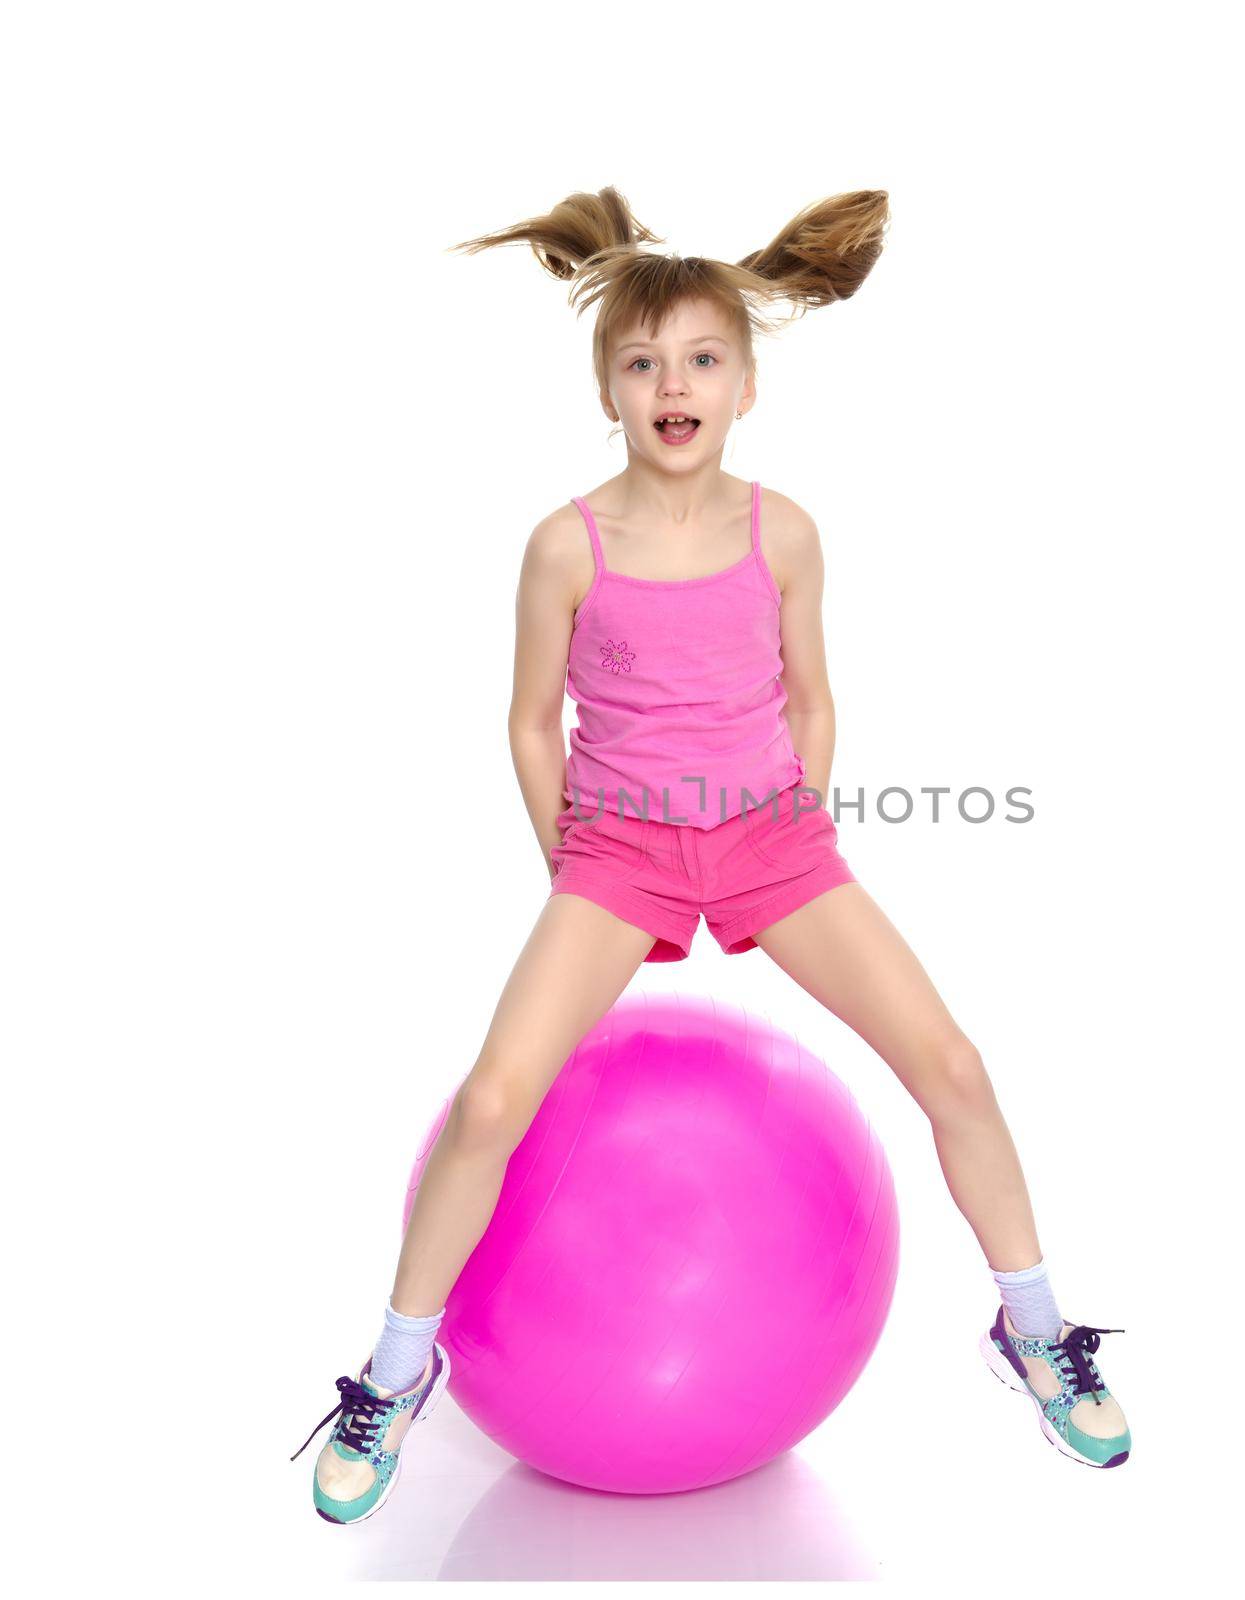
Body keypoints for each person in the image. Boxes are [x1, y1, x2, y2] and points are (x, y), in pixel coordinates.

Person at [291, 187, 1130, 1523]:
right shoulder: (565, 544)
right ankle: (394, 1375)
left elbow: (810, 694)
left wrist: (807, 821)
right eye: (640, 363)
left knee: (956, 1067)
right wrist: (574, 864)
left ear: (744, 386)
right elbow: (525, 720)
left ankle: (1035, 1331)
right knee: (496, 1100)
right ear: (606, 391)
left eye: (699, 359)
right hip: (617, 854)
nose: (669, 384)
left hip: (772, 845)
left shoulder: (780, 531)